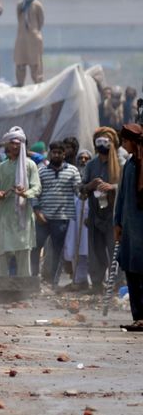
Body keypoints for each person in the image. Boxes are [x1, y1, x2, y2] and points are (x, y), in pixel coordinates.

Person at [31, 141, 81, 287]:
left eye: (60, 153)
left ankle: (54, 281)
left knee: (58, 251)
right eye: (54, 152)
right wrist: (37, 211)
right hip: (43, 217)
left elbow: (79, 190)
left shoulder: (72, 171)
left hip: (62, 218)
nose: (57, 155)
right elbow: (35, 193)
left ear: (64, 154)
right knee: (35, 248)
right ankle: (34, 279)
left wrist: (88, 189)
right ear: (50, 153)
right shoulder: (41, 172)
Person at [0, 126, 41, 277]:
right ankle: (4, 287)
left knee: (23, 252)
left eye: (18, 143)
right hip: (4, 215)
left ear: (23, 145)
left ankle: (23, 290)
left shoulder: (30, 165)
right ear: (7, 144)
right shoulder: (1, 167)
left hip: (23, 214)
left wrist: (25, 193)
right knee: (3, 252)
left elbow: (37, 187)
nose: (15, 146)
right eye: (12, 143)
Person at [81, 128, 122, 293]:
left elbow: (128, 187)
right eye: (99, 141)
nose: (102, 145)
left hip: (114, 215)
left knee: (115, 250)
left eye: (105, 141)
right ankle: (97, 284)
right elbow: (81, 189)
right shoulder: (91, 165)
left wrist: (112, 187)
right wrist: (89, 186)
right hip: (95, 214)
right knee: (95, 250)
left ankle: (118, 284)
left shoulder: (122, 162)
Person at [114, 124, 143, 326]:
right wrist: (117, 222)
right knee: (131, 271)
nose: (123, 146)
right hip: (129, 228)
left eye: (125, 141)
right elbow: (122, 196)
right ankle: (138, 317)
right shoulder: (130, 164)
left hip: (140, 229)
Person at [14, 0, 45, 86]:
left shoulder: (37, 5)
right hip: (22, 37)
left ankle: (38, 82)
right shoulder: (20, 5)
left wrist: (34, 31)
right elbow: (19, 18)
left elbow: (41, 21)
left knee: (35, 62)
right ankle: (20, 82)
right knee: (20, 61)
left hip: (33, 37)